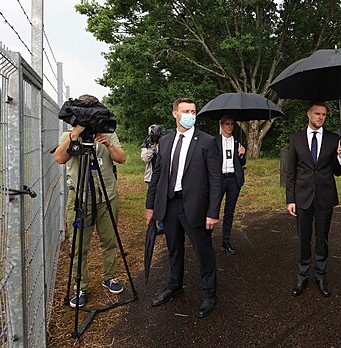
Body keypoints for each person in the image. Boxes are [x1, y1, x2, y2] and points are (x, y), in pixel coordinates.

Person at [145, 97, 222, 318]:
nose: (190, 114)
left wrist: (213, 212)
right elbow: (157, 176)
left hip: (196, 207)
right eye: (186, 111)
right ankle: (174, 285)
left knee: (203, 252)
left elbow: (215, 180)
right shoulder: (166, 141)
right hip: (170, 205)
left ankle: (209, 294)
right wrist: (150, 206)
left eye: (193, 111)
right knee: (174, 249)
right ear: (175, 114)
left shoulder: (207, 142)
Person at [54, 94, 127, 308]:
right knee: (79, 245)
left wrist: (107, 143)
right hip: (80, 196)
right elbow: (59, 158)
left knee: (109, 240)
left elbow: (121, 158)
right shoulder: (69, 134)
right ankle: (80, 287)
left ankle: (109, 276)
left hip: (107, 195)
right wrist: (75, 134)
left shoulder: (106, 132)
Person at [286, 102, 341, 298]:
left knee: (322, 238)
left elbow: (337, 171)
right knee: (303, 239)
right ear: (308, 114)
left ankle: (321, 276)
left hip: (325, 196)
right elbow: (291, 172)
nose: (320, 117)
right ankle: (302, 276)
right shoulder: (296, 139)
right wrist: (290, 199)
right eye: (317, 113)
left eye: (323, 114)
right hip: (302, 197)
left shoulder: (334, 139)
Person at [214, 115, 246, 255]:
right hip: (219, 179)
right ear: (221, 125)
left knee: (229, 212)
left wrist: (241, 155)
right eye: (227, 124)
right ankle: (206, 240)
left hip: (233, 180)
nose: (229, 126)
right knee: (213, 209)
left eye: (232, 124)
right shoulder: (215, 142)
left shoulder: (238, 142)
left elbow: (242, 163)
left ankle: (225, 241)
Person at [141, 124, 165, 234]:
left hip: (163, 176)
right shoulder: (146, 144)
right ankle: (153, 224)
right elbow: (145, 158)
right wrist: (151, 147)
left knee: (162, 200)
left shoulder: (164, 142)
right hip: (151, 177)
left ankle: (162, 224)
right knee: (153, 202)